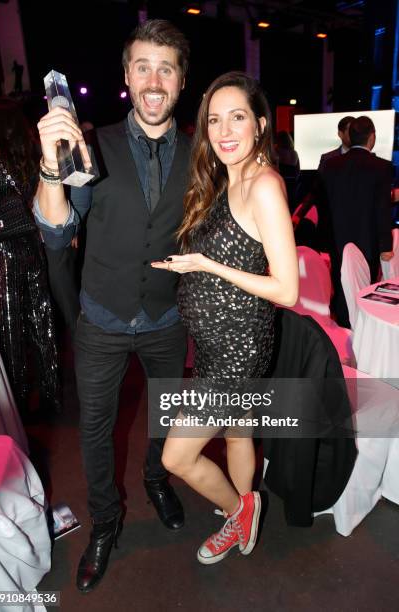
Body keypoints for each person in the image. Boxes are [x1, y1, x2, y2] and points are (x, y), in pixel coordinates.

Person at [34, 20, 191, 592]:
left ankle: (156, 477)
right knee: (96, 432)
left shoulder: (201, 153)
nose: (154, 80)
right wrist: (52, 166)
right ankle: (105, 522)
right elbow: (57, 231)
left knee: (166, 413)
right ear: (127, 76)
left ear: (180, 81)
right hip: (100, 318)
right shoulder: (91, 145)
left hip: (167, 318)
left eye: (166, 68)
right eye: (143, 67)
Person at [152, 72, 299, 565]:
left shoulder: (264, 186)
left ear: (260, 124)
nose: (224, 130)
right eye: (214, 119)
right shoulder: (226, 179)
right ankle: (246, 504)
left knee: (177, 457)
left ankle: (239, 510)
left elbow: (287, 289)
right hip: (220, 343)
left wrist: (207, 266)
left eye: (237, 117)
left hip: (236, 354)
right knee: (238, 432)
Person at [0, 98, 60, 416]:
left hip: (3, 252)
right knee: (41, 321)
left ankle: (17, 401)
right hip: (33, 246)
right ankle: (50, 393)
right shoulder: (32, 161)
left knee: (10, 326)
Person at [320, 115, 393, 326]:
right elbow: (382, 209)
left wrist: (324, 242)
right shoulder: (381, 167)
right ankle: (362, 330)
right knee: (365, 288)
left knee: (341, 284)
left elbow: (323, 206)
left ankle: (345, 329)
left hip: (337, 239)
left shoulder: (331, 165)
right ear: (372, 138)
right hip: (366, 239)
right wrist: (385, 246)